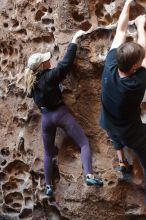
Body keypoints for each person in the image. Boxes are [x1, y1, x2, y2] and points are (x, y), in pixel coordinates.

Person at [24, 30, 103, 197]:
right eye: (45, 60)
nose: (48, 60)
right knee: (83, 143)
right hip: (60, 114)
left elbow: (32, 92)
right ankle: (89, 175)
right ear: (42, 66)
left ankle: (48, 187)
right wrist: (74, 40)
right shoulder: (50, 76)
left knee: (47, 153)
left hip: (46, 119)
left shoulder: (31, 83)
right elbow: (66, 64)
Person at [100, 0, 146, 202]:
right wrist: (141, 28)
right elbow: (144, 51)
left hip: (108, 122)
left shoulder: (110, 63)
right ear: (135, 67)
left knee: (115, 135)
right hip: (131, 132)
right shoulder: (135, 84)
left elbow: (120, 30)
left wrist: (127, 2)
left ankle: (123, 164)